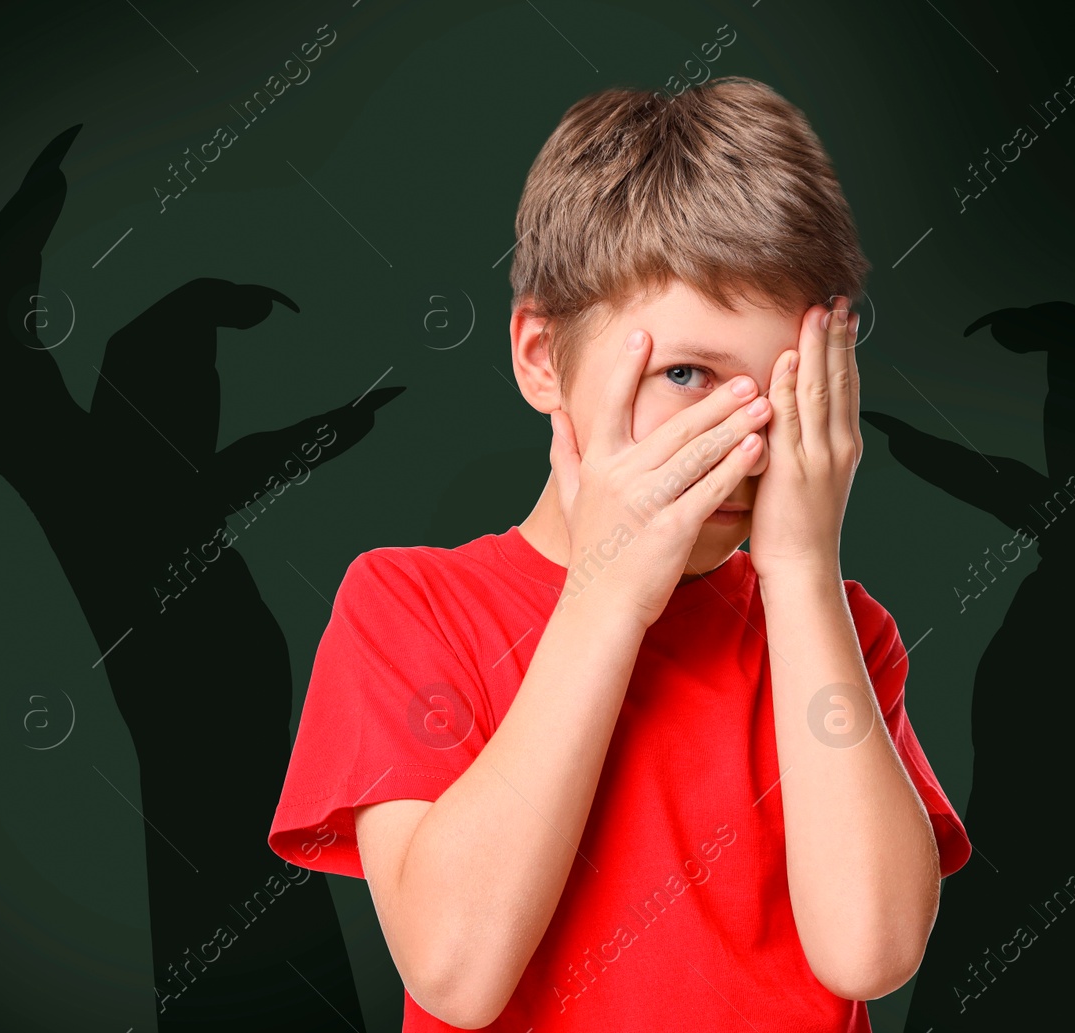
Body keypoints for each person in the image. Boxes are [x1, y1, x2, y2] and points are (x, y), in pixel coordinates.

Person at [267, 76, 971, 1032]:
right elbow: (455, 970)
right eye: (687, 375)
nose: (748, 442)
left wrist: (803, 575)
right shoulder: (408, 605)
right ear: (541, 359)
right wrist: (607, 594)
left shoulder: (841, 636)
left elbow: (870, 950)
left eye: (786, 389)